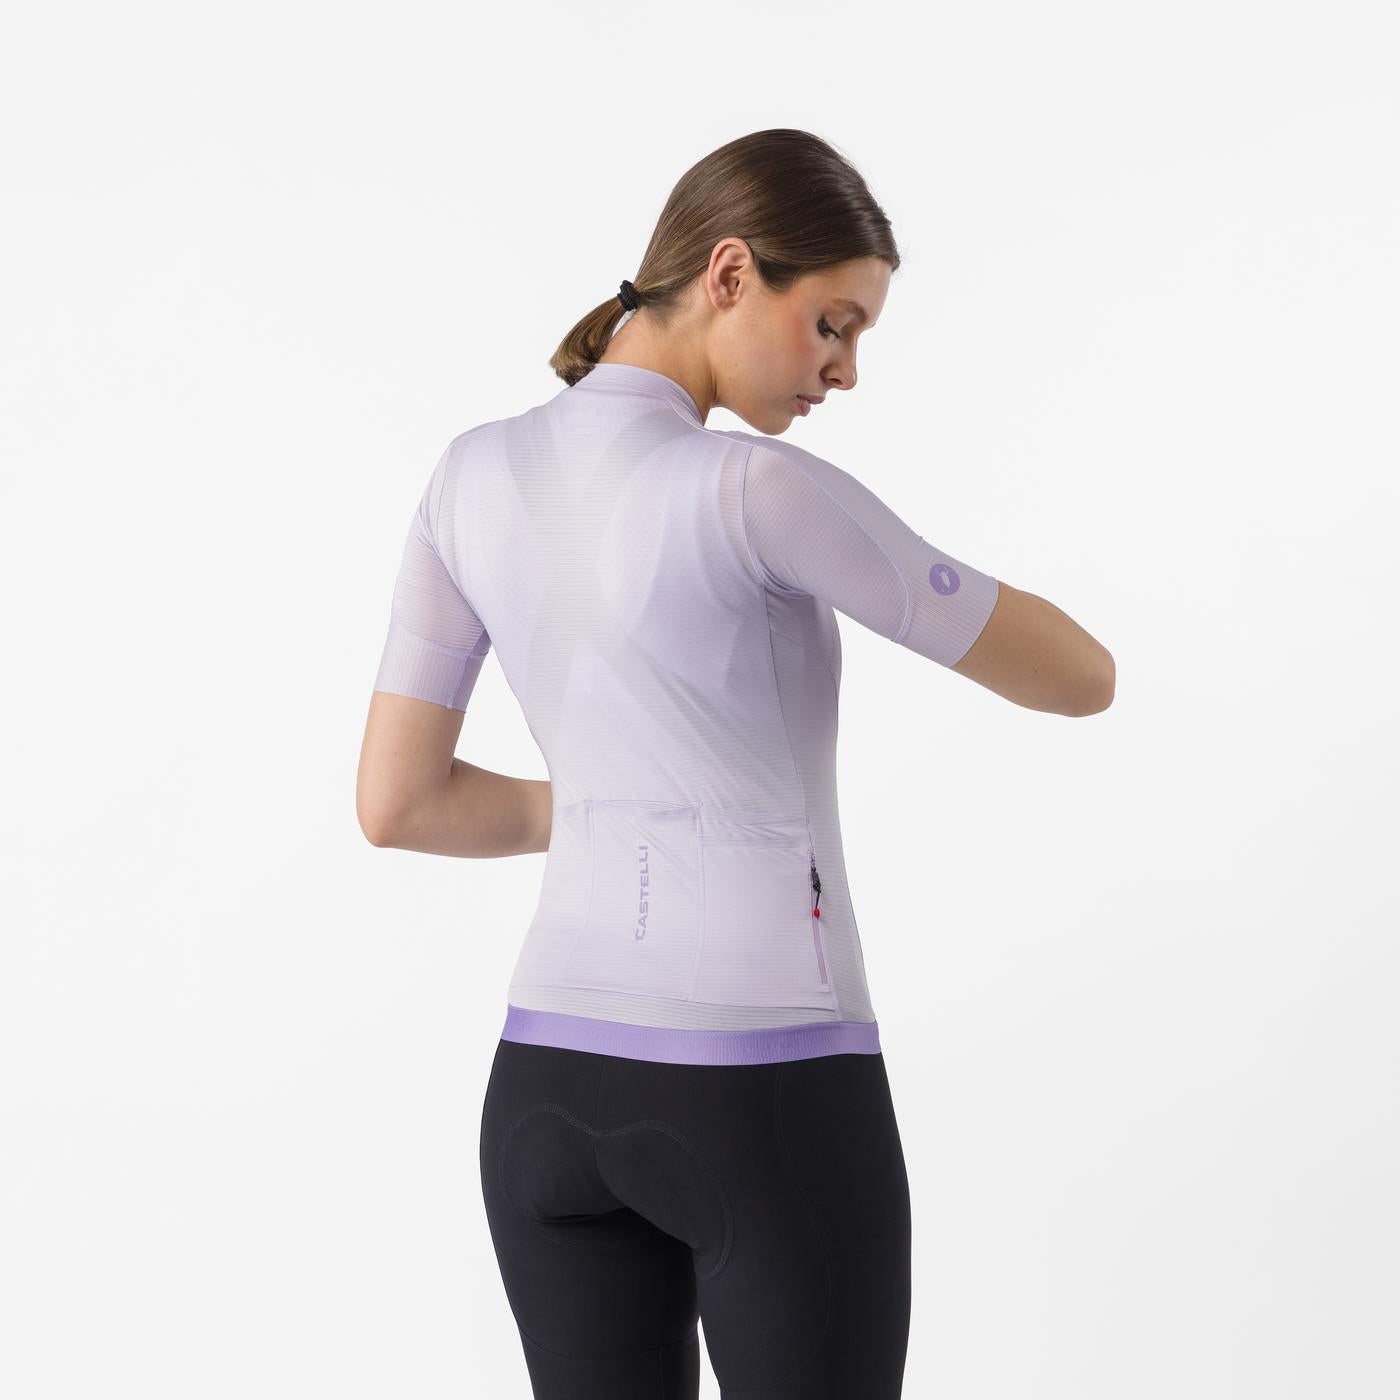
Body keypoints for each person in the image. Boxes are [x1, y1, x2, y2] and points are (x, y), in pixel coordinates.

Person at [357, 128, 1114, 1399]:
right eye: (832, 324)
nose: (845, 369)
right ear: (725, 273)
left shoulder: (468, 475)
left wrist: (608, 807)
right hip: (760, 1083)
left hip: (544, 1094)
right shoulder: (754, 489)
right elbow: (1080, 676)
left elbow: (399, 801)